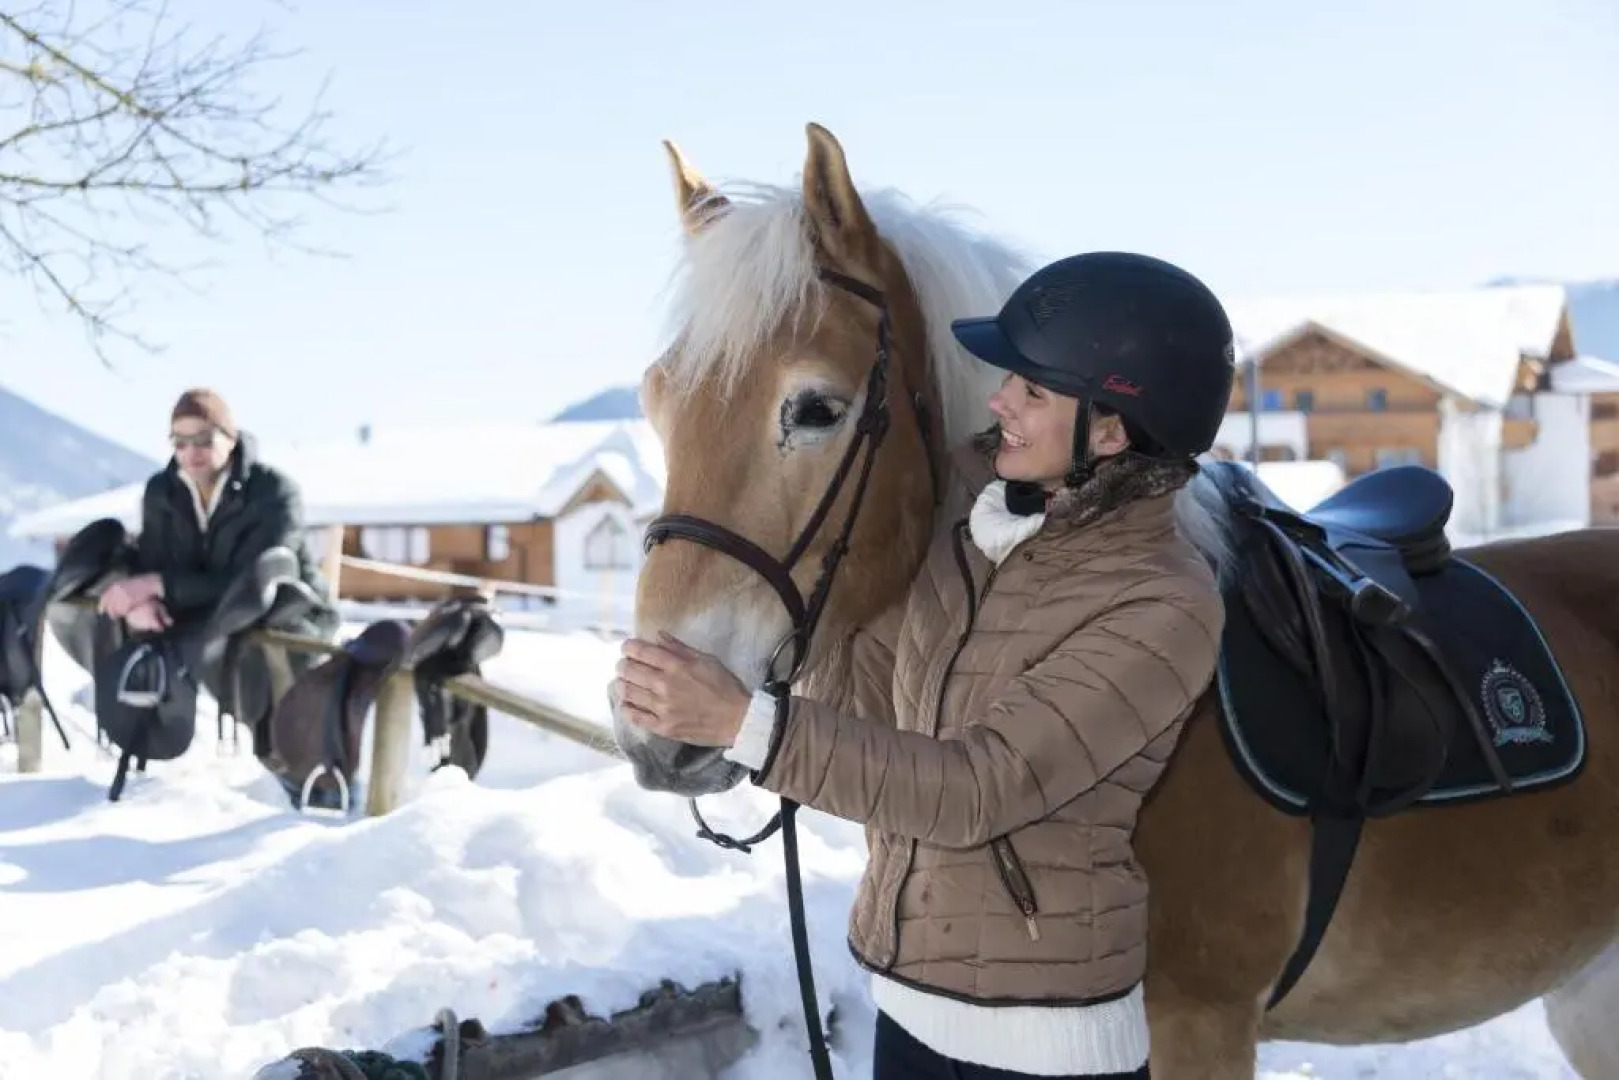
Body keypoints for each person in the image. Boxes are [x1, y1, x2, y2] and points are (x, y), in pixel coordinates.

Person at [613, 251, 1236, 1079]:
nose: (996, 400)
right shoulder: (974, 537)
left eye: (1032, 390)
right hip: (909, 1010)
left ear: (1112, 431)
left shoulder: (1164, 605)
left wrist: (742, 722)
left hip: (1043, 1046)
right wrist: (730, 667)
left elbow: (976, 790)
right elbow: (874, 713)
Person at [97, 387, 336, 640]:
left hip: (286, 628)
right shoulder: (162, 493)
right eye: (180, 442)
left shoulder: (272, 493)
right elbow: (152, 560)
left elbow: (254, 585)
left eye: (203, 441)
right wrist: (143, 602)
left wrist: (159, 585)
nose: (191, 453)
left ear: (231, 439)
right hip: (206, 625)